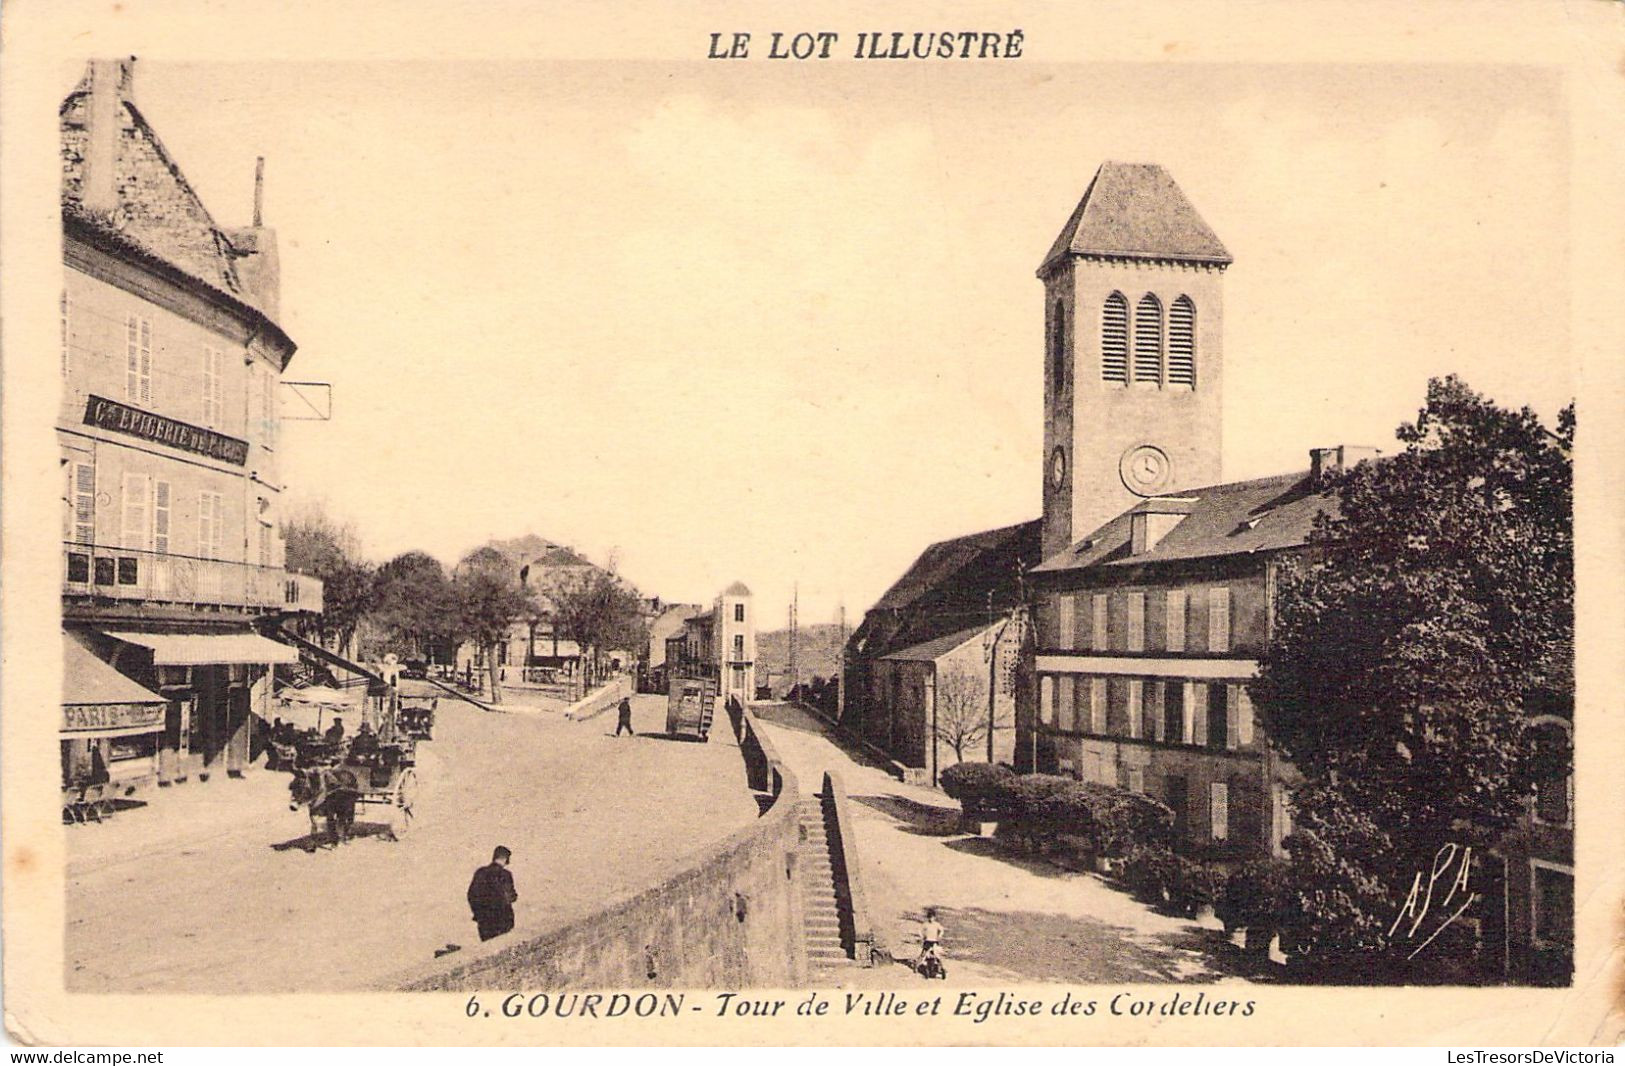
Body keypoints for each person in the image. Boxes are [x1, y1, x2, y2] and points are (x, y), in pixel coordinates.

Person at [467, 846, 517, 942]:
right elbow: (510, 896)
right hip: (503, 920)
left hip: (485, 922)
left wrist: (479, 914)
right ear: (505, 858)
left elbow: (471, 895)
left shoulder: (480, 872)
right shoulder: (505, 874)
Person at [918, 907, 946, 979]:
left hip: (934, 941)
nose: (931, 919)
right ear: (928, 918)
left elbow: (942, 930)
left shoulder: (936, 924)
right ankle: (917, 965)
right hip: (927, 941)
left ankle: (941, 968)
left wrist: (939, 936)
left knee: (937, 955)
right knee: (923, 954)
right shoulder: (925, 924)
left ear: (934, 917)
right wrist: (922, 937)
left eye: (932, 917)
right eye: (930, 917)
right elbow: (920, 930)